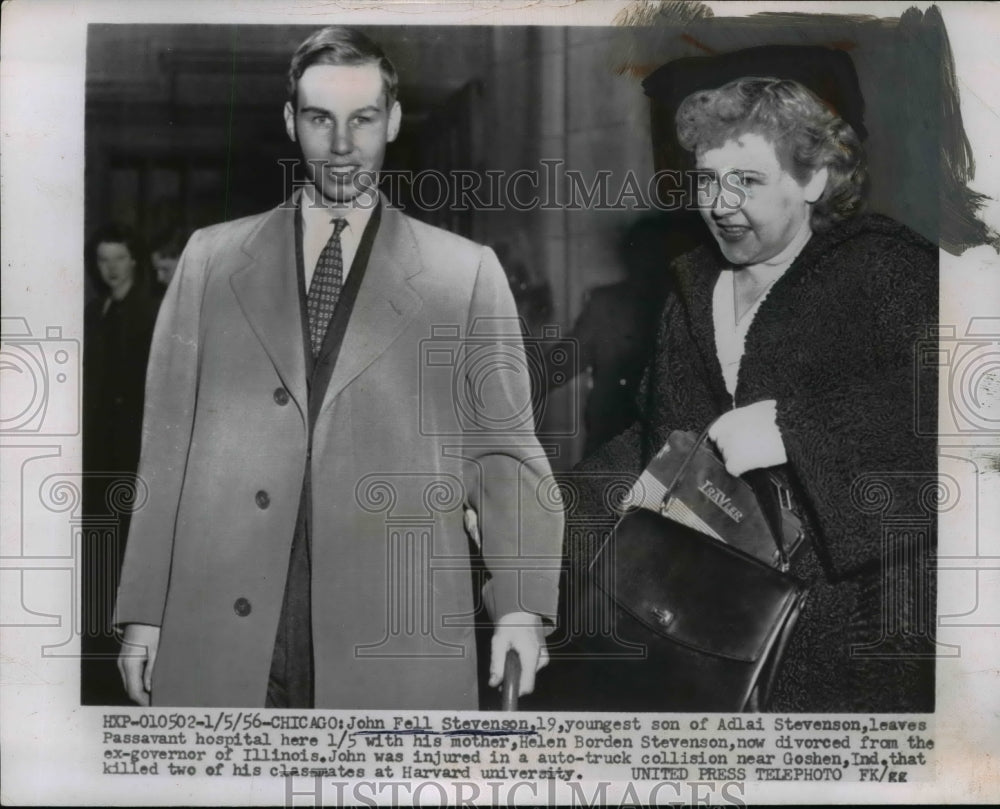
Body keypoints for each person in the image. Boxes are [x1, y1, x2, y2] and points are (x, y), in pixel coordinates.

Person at [115, 26, 562, 709]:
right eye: (321, 119)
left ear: (395, 119)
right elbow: (164, 452)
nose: (343, 145)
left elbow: (504, 452)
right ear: (292, 121)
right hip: (224, 627)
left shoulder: (463, 274)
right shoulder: (210, 262)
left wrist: (520, 607)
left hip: (393, 631)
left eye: (364, 119)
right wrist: (144, 609)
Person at [570, 77, 937, 712]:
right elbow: (658, 439)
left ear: (814, 179)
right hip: (709, 629)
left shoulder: (888, 271)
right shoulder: (692, 289)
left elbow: (963, 426)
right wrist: (544, 503)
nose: (721, 204)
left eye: (748, 180)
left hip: (848, 638)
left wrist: (796, 430)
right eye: (708, 180)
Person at [82, 223, 160, 704]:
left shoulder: (151, 313)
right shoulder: (97, 311)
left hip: (133, 449)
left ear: (135, 260)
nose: (109, 268)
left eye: (118, 258)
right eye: (102, 260)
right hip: (100, 450)